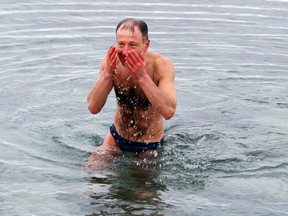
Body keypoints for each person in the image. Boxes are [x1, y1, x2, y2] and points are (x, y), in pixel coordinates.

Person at [86, 18, 177, 168]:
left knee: (140, 189)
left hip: (149, 144)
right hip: (116, 137)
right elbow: (93, 107)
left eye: (133, 45)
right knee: (91, 176)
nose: (126, 52)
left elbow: (168, 111)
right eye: (121, 44)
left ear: (145, 45)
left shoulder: (161, 65)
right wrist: (107, 74)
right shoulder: (111, 62)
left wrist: (142, 77)